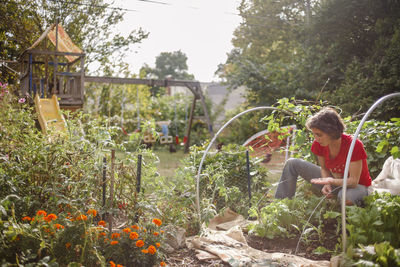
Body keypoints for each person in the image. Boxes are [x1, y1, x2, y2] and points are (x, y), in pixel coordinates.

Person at [274, 107, 372, 206]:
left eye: (319, 135)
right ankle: (281, 206)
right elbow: (324, 169)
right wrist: (327, 184)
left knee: (345, 196)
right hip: (334, 183)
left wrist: (330, 181)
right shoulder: (318, 144)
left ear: (332, 132)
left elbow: (353, 182)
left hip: (357, 187)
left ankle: (343, 208)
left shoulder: (354, 145)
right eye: (314, 134)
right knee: (292, 163)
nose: (316, 139)